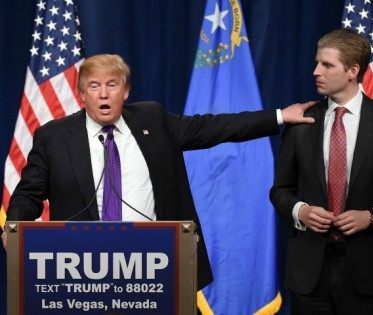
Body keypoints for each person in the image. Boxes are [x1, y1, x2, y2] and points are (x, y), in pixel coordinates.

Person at [2, 54, 315, 291]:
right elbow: (28, 193)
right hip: (84, 268)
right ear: (82, 93)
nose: (103, 94)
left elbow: (214, 127)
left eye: (112, 85)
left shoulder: (152, 119)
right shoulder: (54, 136)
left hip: (156, 260)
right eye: (94, 86)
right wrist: (15, 228)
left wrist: (279, 116)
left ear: (125, 91)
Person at [270, 29, 373, 315]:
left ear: (353, 71)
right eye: (317, 63)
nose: (316, 71)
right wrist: (300, 211)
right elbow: (280, 190)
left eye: (327, 65)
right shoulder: (302, 121)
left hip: (369, 274)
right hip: (309, 274)